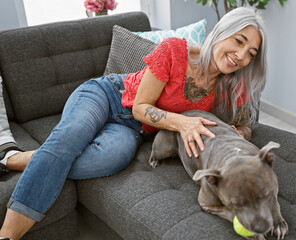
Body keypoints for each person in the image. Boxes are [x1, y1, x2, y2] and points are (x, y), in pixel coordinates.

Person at [0, 7, 267, 239]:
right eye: (239, 41)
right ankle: (8, 234)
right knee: (70, 136)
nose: (241, 55)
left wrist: (239, 132)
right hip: (107, 95)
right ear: (221, 32)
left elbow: (245, 126)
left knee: (112, 158)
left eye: (251, 53)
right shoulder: (175, 50)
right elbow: (140, 107)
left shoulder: (230, 88)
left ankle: (16, 159)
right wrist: (183, 124)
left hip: (132, 129)